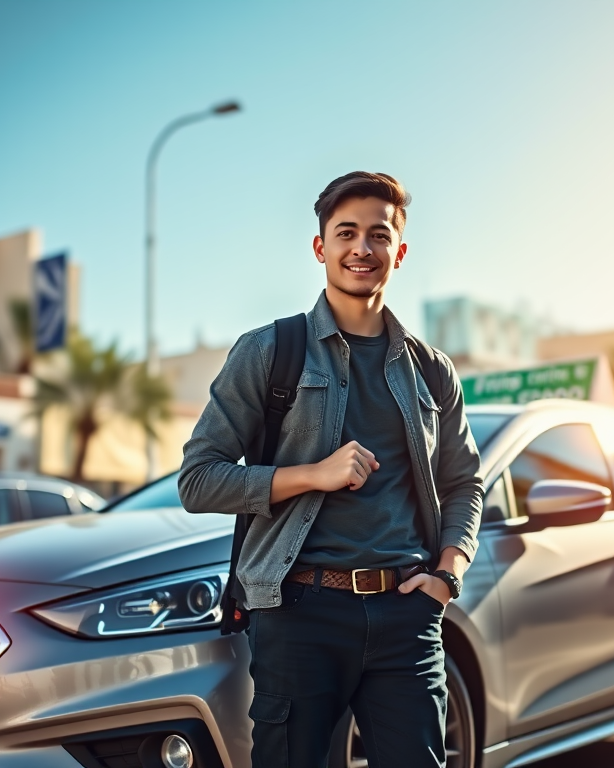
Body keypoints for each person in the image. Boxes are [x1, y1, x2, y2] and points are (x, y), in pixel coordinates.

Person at [178, 171, 484, 768]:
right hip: (300, 614)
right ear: (320, 247)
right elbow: (198, 479)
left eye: (378, 234)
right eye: (346, 233)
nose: (361, 249)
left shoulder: (433, 370)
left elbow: (463, 482)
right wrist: (312, 474)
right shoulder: (270, 351)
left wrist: (448, 575)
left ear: (400, 251)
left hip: (406, 615)